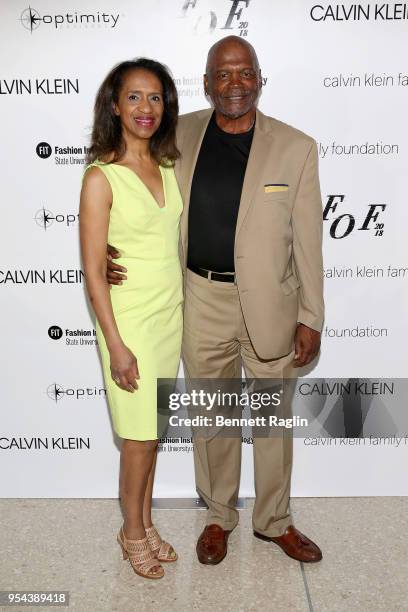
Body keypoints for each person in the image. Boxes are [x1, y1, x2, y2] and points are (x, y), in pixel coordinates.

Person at [107, 37, 324, 564]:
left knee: (271, 417)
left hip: (273, 302)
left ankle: (274, 520)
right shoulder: (177, 134)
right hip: (200, 296)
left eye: (244, 73)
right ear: (205, 83)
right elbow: (128, 180)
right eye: (223, 74)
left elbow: (309, 240)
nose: (234, 84)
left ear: (259, 79)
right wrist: (110, 245)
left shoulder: (296, 148)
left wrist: (312, 315)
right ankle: (218, 516)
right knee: (214, 416)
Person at [79, 58, 183, 579]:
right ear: (115, 106)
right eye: (135, 97)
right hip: (131, 323)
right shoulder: (101, 177)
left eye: (156, 98)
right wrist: (115, 345)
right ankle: (133, 533)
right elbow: (94, 272)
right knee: (138, 438)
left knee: (153, 433)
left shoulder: (168, 167)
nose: (146, 108)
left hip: (170, 318)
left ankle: (141, 520)